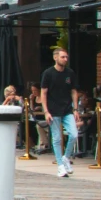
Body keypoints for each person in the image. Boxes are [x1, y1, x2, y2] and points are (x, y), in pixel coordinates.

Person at [40, 42, 78, 176]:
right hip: (53, 109)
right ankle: (60, 165)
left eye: (66, 57)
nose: (65, 59)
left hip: (67, 109)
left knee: (74, 134)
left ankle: (66, 157)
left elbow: (74, 91)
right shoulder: (48, 73)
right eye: (63, 57)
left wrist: (76, 109)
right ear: (55, 58)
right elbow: (43, 93)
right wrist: (46, 111)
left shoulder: (70, 73)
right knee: (57, 138)